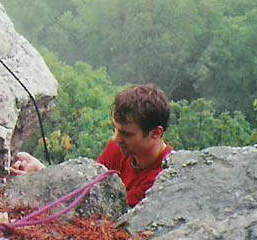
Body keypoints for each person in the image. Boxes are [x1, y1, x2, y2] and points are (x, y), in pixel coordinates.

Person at [10, 84, 172, 207]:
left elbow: (106, 214)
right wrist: (40, 173)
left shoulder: (163, 179)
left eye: (126, 134)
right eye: (115, 129)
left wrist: (39, 185)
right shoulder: (118, 148)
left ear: (155, 133)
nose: (116, 138)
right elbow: (88, 190)